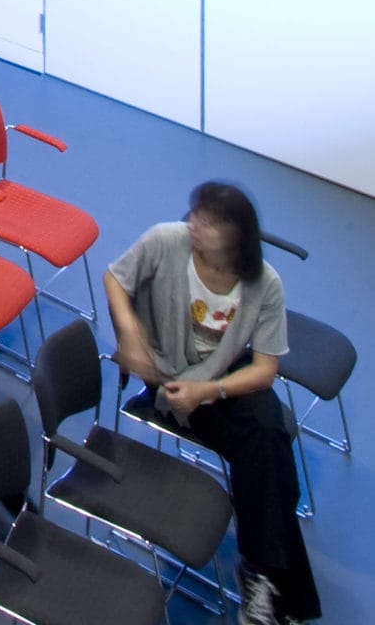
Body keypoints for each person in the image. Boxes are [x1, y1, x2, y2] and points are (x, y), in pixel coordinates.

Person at [105, 182, 318, 624]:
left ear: (237, 236)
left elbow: (264, 369)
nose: (195, 224)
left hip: (220, 382)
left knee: (267, 435)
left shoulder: (265, 284)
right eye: (196, 214)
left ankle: (259, 574)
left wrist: (212, 390)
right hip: (172, 384)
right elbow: (114, 278)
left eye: (211, 221)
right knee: (270, 461)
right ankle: (275, 590)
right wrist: (128, 332)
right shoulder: (166, 241)